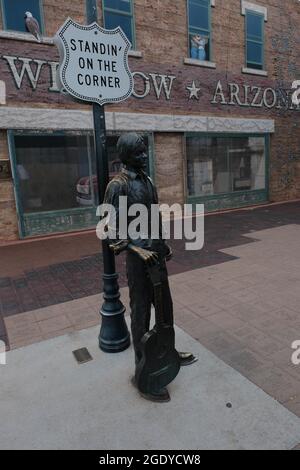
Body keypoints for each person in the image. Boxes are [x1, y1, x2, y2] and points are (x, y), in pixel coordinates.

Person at [103, 133, 197, 403]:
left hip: (155, 253)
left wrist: (162, 244)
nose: (145, 156)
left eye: (145, 152)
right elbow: (111, 230)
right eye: (140, 152)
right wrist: (137, 249)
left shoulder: (147, 180)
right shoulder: (118, 186)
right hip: (138, 259)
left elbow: (154, 216)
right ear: (126, 154)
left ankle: (168, 350)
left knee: (165, 307)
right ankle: (142, 369)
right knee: (141, 311)